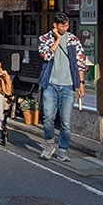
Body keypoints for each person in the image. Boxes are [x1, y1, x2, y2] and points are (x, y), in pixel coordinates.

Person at [37, 11, 87, 162]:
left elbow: (80, 62)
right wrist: (57, 40)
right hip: (50, 84)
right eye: (62, 26)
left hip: (68, 85)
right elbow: (46, 56)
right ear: (55, 25)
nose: (65, 28)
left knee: (66, 122)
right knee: (48, 117)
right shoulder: (44, 39)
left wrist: (81, 83)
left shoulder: (73, 40)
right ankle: (49, 145)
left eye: (67, 25)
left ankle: (63, 150)